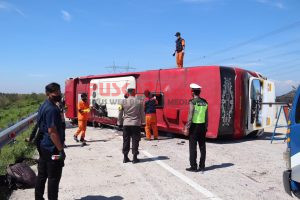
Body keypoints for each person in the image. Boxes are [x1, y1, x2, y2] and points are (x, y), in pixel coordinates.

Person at [35, 82, 66, 200]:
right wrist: (61, 150)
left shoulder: (44, 105)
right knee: (54, 177)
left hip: (43, 147)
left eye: (59, 91)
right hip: (53, 150)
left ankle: (38, 198)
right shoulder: (52, 109)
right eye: (55, 93)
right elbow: (52, 132)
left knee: (42, 175)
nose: (58, 94)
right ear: (48, 94)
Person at [183, 83, 208, 173]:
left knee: (193, 147)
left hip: (194, 127)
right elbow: (206, 116)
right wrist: (206, 127)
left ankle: (193, 166)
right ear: (199, 92)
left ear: (192, 92)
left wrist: (187, 127)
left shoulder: (192, 102)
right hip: (202, 126)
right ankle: (202, 165)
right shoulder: (205, 102)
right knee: (202, 146)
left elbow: (190, 115)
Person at [118, 88, 145, 164]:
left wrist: (119, 123)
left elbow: (120, 113)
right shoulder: (139, 101)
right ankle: (134, 158)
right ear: (134, 92)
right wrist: (143, 122)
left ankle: (125, 157)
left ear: (128, 93)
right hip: (136, 124)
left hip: (126, 124)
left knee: (126, 140)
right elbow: (142, 113)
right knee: (135, 140)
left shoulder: (123, 101)